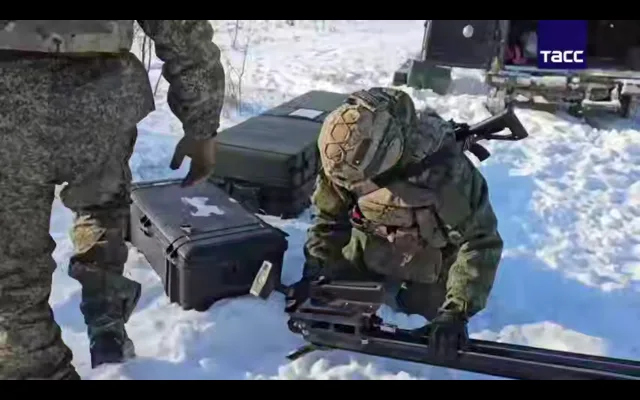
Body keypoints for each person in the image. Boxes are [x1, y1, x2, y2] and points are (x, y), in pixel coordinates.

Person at [0, 20, 224, 380]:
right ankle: (106, 322)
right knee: (101, 207)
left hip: (8, 105)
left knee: (13, 267)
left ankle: (35, 363)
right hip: (100, 99)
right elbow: (183, 31)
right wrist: (201, 125)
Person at [293, 87, 503, 359]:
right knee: (334, 299)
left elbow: (479, 241)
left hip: (433, 254)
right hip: (370, 244)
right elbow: (329, 220)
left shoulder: (445, 173)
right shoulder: (345, 155)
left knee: (426, 314)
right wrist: (315, 272)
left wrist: (456, 312)